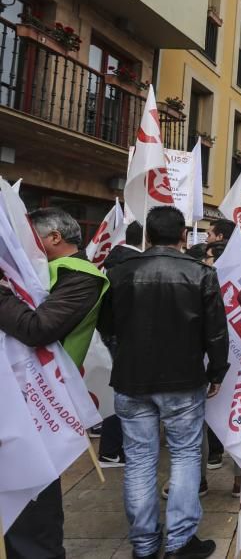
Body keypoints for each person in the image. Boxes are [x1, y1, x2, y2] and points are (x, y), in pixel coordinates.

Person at [98, 206, 229, 559]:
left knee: (140, 459)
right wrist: (217, 371)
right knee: (185, 455)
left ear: (149, 236)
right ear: (184, 237)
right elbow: (216, 331)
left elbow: (107, 325)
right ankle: (180, 541)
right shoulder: (200, 273)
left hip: (132, 377)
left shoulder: (120, 272)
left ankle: (144, 544)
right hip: (182, 380)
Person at [0, 208, 108, 559]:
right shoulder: (41, 271)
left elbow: (38, 329)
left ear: (54, 238)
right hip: (16, 393)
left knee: (33, 500)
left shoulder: (81, 276)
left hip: (42, 398)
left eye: (30, 237)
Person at [98, 221, 145, 468]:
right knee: (124, 395)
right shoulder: (134, 266)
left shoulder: (114, 262)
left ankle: (111, 448)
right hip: (125, 337)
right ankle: (112, 449)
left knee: (117, 391)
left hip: (111, 334)